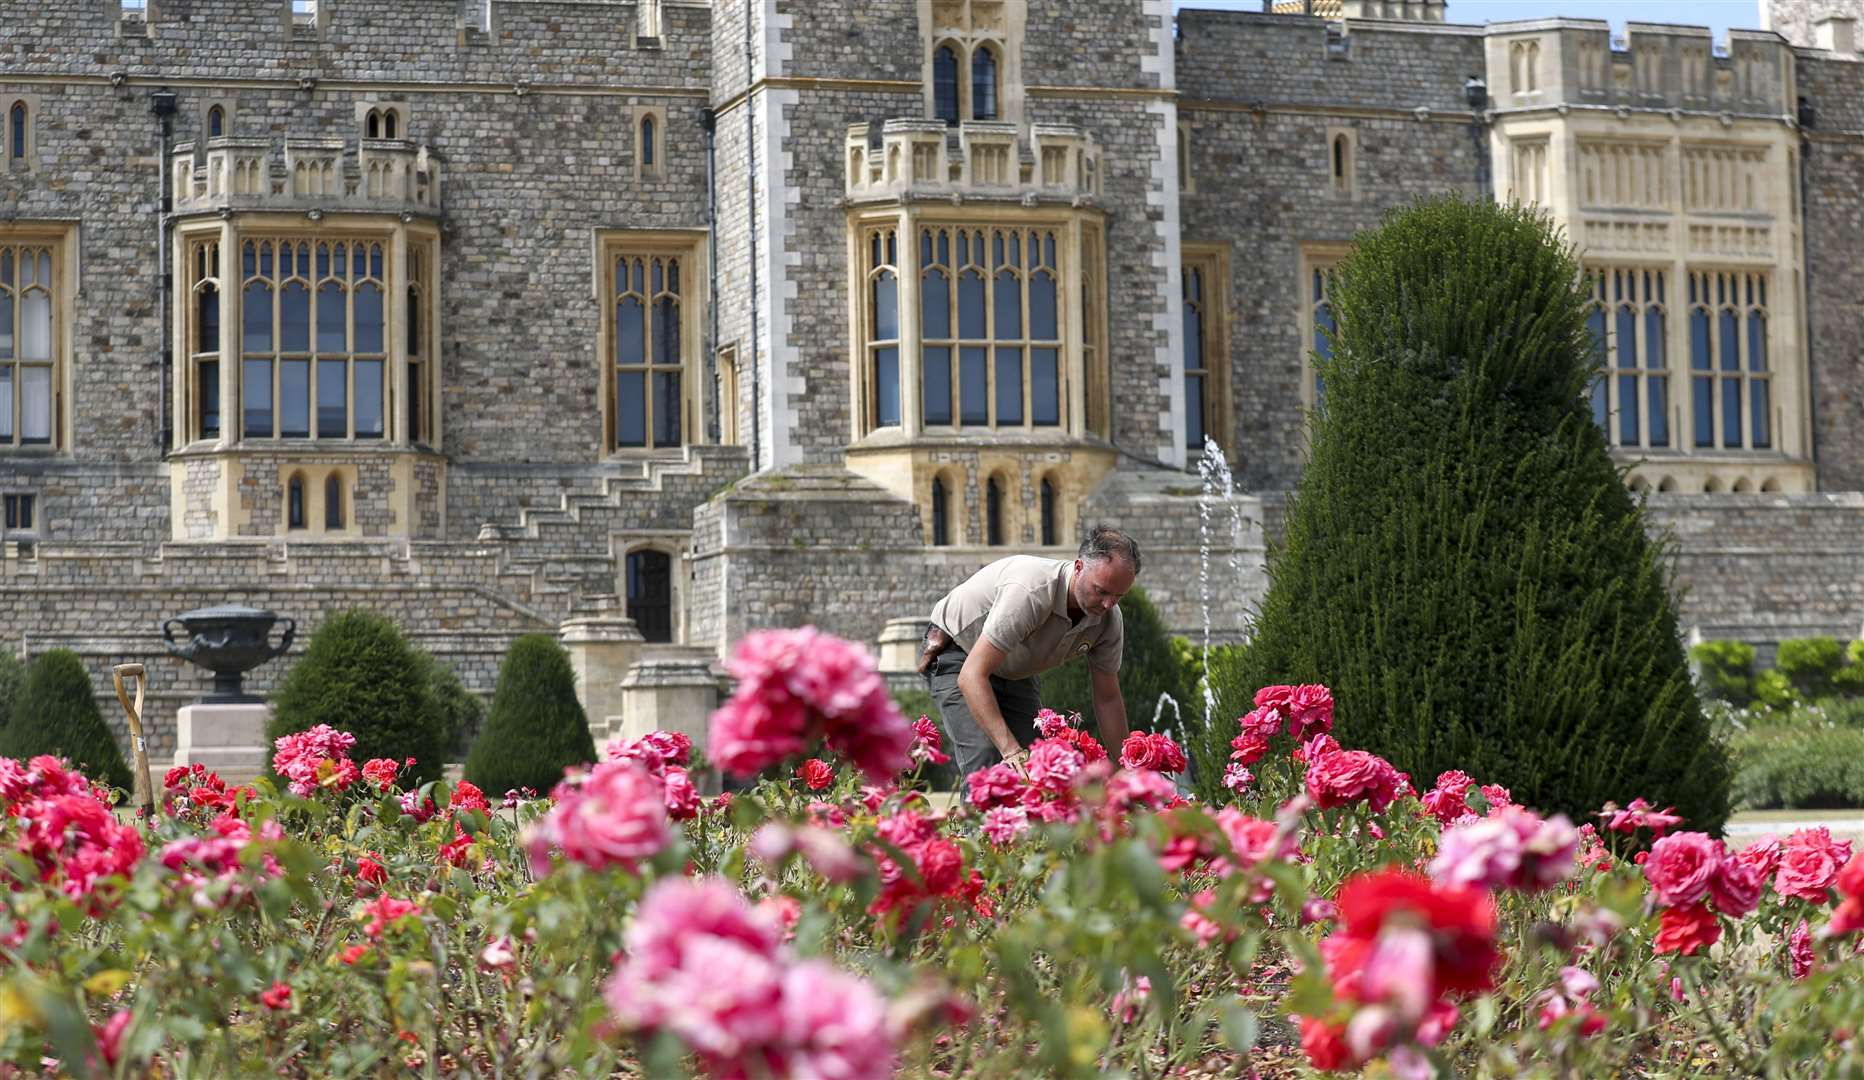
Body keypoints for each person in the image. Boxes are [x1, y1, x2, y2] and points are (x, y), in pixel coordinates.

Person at [920, 524, 1139, 777]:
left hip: (1013, 668)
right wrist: (1010, 751)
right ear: (1078, 568)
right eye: (1100, 591)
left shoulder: (1110, 620)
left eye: (1118, 596)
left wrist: (1127, 773)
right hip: (960, 653)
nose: (1108, 604)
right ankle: (976, 816)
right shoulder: (1031, 592)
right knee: (988, 761)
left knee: (1039, 763)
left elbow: (1108, 698)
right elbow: (972, 675)